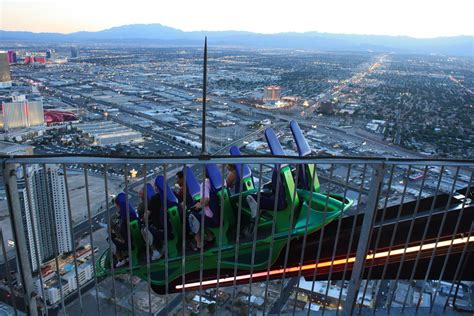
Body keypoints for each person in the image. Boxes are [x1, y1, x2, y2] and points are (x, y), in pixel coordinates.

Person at [143, 176, 173, 260]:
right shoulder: (172, 194)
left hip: (163, 230)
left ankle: (156, 252)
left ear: (157, 187)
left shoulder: (154, 199)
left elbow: (146, 216)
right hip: (175, 226)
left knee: (145, 230)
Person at [188, 178, 219, 249]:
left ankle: (199, 243)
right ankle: (209, 235)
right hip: (222, 214)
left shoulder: (205, 184)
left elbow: (206, 200)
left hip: (214, 220)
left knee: (192, 215)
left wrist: (199, 205)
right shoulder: (219, 180)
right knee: (201, 214)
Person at [112, 192, 139, 267]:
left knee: (111, 239)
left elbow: (125, 239)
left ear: (118, 205)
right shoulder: (133, 213)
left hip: (130, 244)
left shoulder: (124, 221)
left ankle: (121, 259)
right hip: (139, 239)